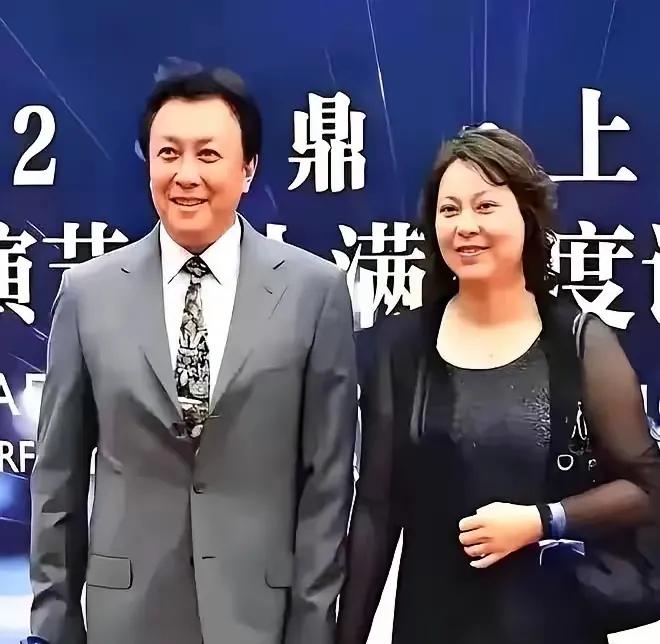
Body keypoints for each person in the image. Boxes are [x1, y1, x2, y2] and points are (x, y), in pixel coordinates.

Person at [27, 67, 357, 644]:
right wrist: (53, 625)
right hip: (126, 617)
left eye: (208, 154)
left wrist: (312, 624)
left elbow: (328, 483)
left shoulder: (314, 291)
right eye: (168, 153)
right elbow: (58, 479)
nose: (186, 175)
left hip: (261, 617)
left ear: (248, 168)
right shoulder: (88, 293)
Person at [336, 126, 660, 644]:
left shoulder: (578, 341)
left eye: (485, 206)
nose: (465, 225)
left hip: (553, 622)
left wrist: (544, 520)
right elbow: (376, 509)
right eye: (449, 210)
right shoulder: (400, 346)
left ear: (527, 218)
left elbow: (648, 488)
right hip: (434, 623)